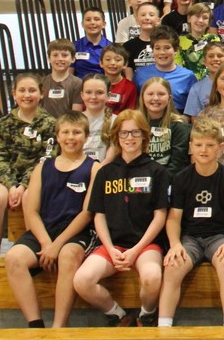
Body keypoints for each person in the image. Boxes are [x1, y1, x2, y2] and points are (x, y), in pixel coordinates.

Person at [72, 109, 170, 327]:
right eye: (124, 133)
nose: (129, 138)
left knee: (152, 277)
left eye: (135, 133)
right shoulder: (105, 172)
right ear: (116, 137)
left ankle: (147, 314)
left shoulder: (157, 171)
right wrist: (110, 247)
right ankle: (116, 313)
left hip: (146, 245)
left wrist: (136, 249)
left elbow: (160, 216)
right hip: (112, 245)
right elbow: (99, 216)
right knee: (81, 281)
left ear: (144, 136)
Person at [4, 112, 98, 328]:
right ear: (57, 136)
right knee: (13, 259)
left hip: (77, 233)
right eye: (65, 132)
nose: (70, 137)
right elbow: (32, 211)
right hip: (44, 232)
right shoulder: (42, 168)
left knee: (67, 255)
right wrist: (46, 243)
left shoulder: (94, 168)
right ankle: (36, 325)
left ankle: (58, 327)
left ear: (86, 137)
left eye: (76, 132)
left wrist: (56, 246)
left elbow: (86, 213)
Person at [158, 118, 224, 327]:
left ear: (220, 147)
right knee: (172, 266)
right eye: (198, 145)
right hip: (190, 238)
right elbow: (174, 217)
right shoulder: (181, 178)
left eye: (210, 145)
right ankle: (163, 327)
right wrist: (175, 244)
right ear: (191, 147)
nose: (203, 150)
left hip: (219, 237)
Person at [0, 73, 57, 257]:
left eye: (32, 90)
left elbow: (46, 158)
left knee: (28, 198)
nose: (27, 95)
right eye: (22, 90)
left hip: (38, 178)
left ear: (42, 93)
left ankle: (30, 249)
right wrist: (11, 186)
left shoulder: (50, 124)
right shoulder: (2, 124)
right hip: (8, 179)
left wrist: (24, 185)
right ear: (14, 94)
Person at [133, 26, 197, 111]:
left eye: (167, 48)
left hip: (177, 120)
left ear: (176, 50)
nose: (162, 52)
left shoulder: (188, 76)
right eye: (157, 48)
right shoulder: (140, 74)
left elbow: (193, 109)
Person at [137, 77, 191, 175]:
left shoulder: (180, 126)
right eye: (150, 94)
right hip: (138, 180)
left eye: (161, 94)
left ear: (169, 98)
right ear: (142, 98)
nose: (155, 98)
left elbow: (178, 164)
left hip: (168, 182)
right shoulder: (134, 123)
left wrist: (158, 183)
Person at [183, 41, 224, 118]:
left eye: (220, 56)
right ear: (204, 62)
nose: (215, 59)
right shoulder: (197, 89)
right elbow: (194, 118)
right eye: (211, 56)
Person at [41, 39, 84, 118]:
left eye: (64, 55)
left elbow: (76, 114)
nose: (60, 59)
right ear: (49, 58)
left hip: (68, 127)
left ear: (73, 59)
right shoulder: (41, 82)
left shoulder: (78, 83)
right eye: (55, 55)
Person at [80, 74, 117, 162]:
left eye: (99, 93)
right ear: (82, 95)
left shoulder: (116, 121)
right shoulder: (74, 121)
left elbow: (112, 153)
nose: (93, 97)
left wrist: (98, 169)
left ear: (108, 95)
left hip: (106, 171)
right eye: (88, 92)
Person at [122, 2, 161, 75]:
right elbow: (129, 77)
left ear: (158, 20)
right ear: (136, 20)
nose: (147, 18)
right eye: (143, 15)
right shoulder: (128, 46)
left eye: (151, 15)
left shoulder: (164, 43)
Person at [72, 7, 112, 79]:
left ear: (104, 24)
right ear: (82, 24)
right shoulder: (74, 46)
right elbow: (69, 74)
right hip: (79, 87)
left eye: (96, 19)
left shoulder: (111, 47)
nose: (92, 22)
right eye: (88, 20)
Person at [100, 44, 138, 114]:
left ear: (125, 64)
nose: (112, 63)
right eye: (108, 59)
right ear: (101, 63)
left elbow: (130, 113)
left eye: (117, 60)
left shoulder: (130, 87)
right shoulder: (95, 84)